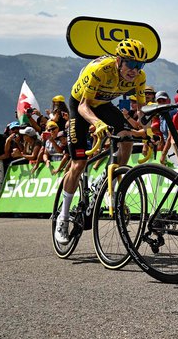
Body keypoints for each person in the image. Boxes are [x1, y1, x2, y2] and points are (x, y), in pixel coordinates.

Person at [55, 38, 148, 245]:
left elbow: (141, 111)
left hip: (104, 104)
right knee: (78, 164)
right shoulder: (100, 70)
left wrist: (147, 130)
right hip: (80, 106)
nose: (135, 70)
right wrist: (97, 124)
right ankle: (63, 217)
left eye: (139, 65)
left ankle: (111, 183)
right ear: (118, 60)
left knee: (127, 137)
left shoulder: (140, 77)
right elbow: (83, 107)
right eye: (131, 64)